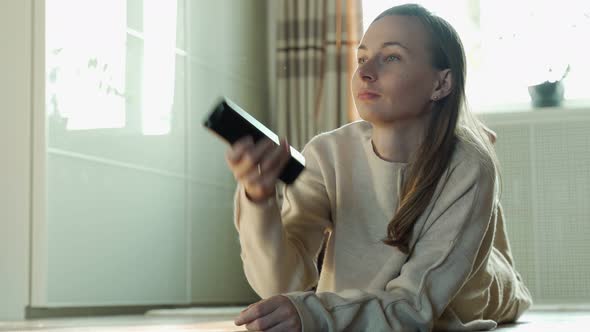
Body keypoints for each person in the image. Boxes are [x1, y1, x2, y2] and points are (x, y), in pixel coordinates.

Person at [226, 3, 532, 331]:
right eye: (361, 58)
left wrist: (316, 315)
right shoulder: (327, 154)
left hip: (475, 290)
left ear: (441, 84)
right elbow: (280, 284)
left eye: (391, 57)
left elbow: (416, 306)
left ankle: (469, 139)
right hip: (364, 302)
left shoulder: (469, 169)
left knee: (503, 272)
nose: (365, 71)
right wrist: (258, 201)